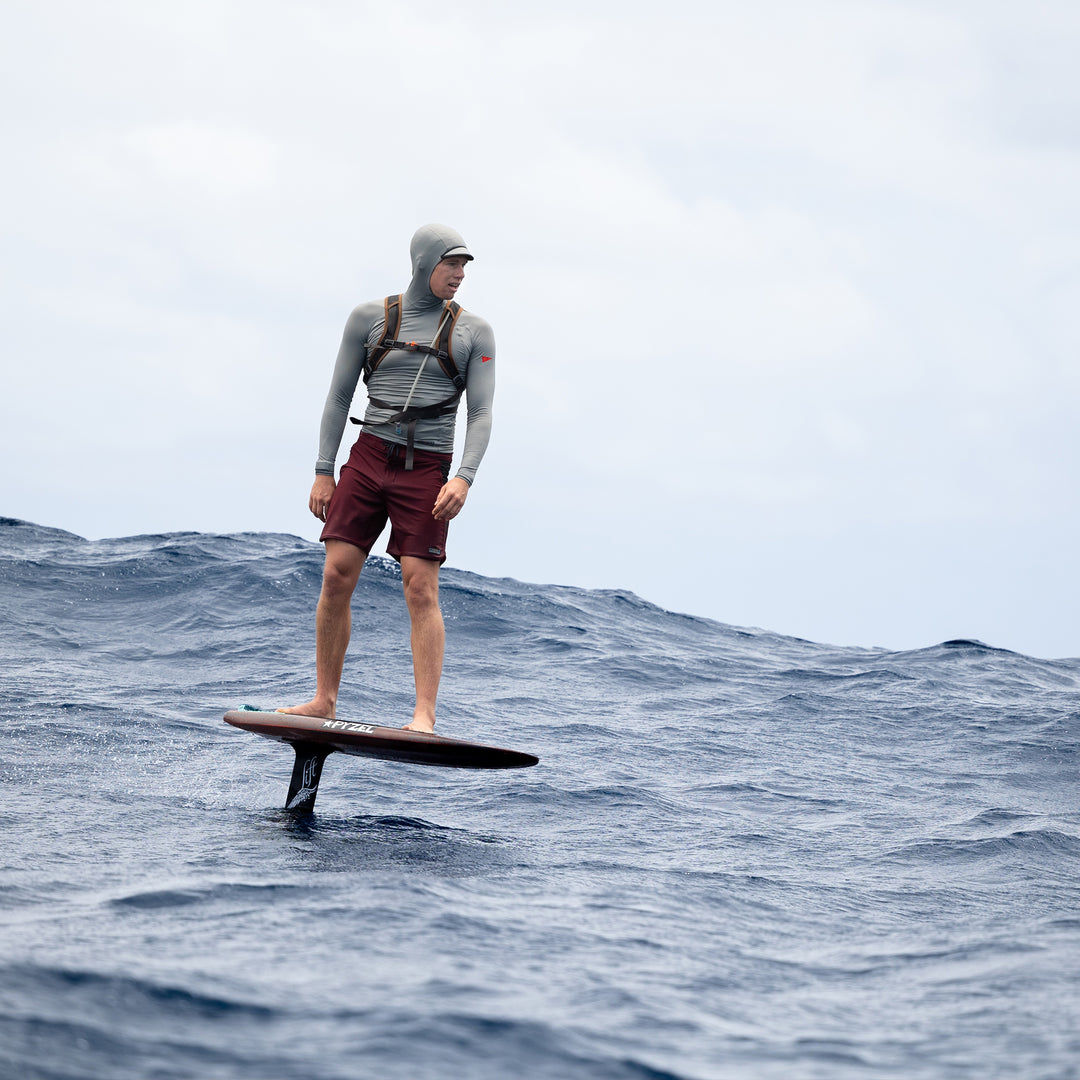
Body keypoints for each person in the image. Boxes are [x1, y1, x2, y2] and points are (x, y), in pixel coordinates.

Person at [280, 224, 495, 732]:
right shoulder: (368, 318)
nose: (460, 274)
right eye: (451, 264)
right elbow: (338, 398)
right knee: (336, 575)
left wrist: (463, 478)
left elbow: (481, 413)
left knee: (420, 587)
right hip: (369, 457)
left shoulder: (474, 332)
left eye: (464, 266)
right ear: (424, 263)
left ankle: (423, 716)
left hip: (427, 469)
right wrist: (323, 471)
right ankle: (323, 700)